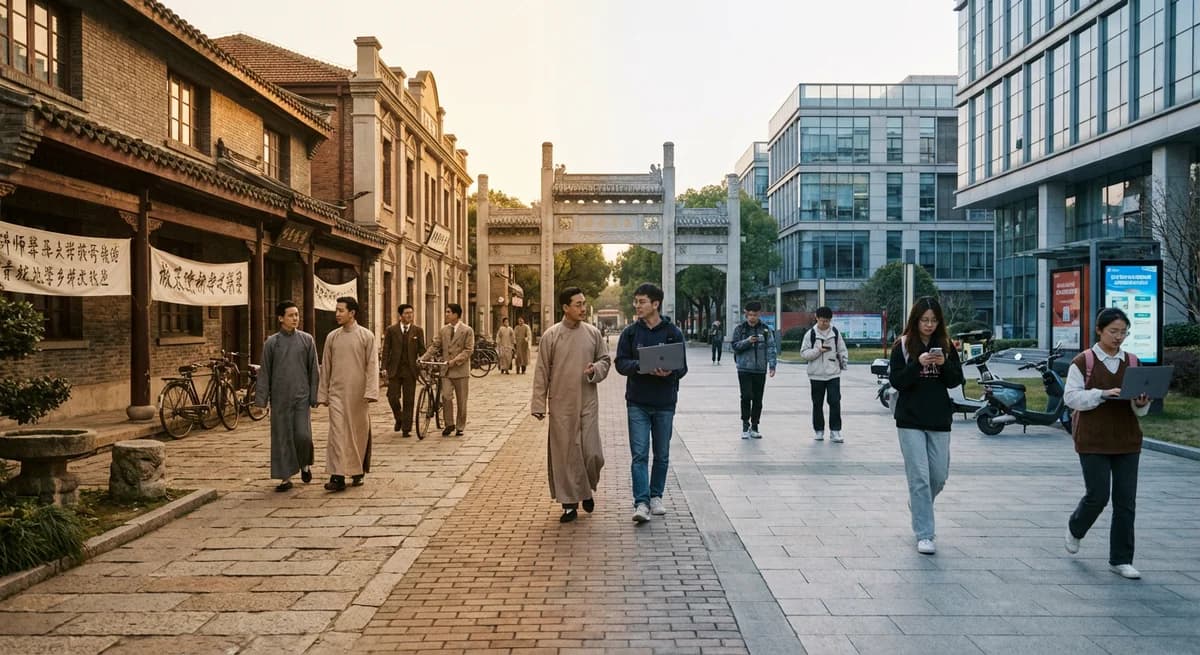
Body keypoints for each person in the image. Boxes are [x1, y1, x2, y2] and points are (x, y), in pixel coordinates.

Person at [1063, 307, 1152, 580]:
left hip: (1127, 438)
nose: (1118, 337)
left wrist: (1141, 403)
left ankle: (1121, 560)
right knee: (1098, 496)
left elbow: (1141, 410)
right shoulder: (1084, 361)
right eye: (1113, 331)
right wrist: (1101, 394)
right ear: (1099, 330)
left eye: (1124, 332)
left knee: (1126, 502)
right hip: (1093, 439)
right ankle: (1076, 527)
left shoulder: (1133, 361)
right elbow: (1071, 398)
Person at [888, 296, 963, 555]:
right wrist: (916, 363)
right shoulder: (903, 345)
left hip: (939, 418)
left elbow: (956, 380)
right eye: (924, 320)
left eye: (934, 320)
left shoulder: (946, 345)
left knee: (938, 476)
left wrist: (944, 365)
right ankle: (925, 533)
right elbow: (897, 381)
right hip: (909, 419)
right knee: (919, 477)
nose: (929, 325)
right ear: (915, 321)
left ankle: (919, 503)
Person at [531, 287, 612, 523]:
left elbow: (605, 360)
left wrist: (595, 370)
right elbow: (542, 371)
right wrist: (538, 404)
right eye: (578, 304)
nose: (583, 308)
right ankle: (569, 504)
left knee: (592, 453)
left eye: (583, 303)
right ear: (565, 307)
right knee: (565, 455)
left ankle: (586, 489)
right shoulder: (551, 336)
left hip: (587, 400)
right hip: (561, 404)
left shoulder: (593, 333)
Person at [615, 282, 687, 524]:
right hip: (637, 401)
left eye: (642, 301)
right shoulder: (630, 333)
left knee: (662, 454)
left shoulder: (673, 333)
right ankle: (641, 502)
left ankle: (656, 496)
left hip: (665, 402)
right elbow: (620, 363)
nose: (637, 305)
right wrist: (642, 365)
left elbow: (683, 368)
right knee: (639, 454)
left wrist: (669, 371)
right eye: (636, 301)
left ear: (655, 304)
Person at [317, 296, 379, 492]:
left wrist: (371, 391)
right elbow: (326, 366)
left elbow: (372, 366)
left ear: (352, 313)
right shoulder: (332, 337)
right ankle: (337, 476)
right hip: (337, 393)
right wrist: (323, 394)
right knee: (337, 433)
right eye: (336, 310)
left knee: (356, 434)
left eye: (341, 310)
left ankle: (357, 470)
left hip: (358, 395)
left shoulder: (366, 336)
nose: (337, 314)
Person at [258, 301, 319, 492]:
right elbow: (265, 372)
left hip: (301, 396)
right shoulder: (272, 343)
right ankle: (285, 477)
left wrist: (314, 395)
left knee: (303, 435)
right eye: (291, 315)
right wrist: (261, 399)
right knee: (282, 437)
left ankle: (305, 465)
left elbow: (314, 370)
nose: (295, 318)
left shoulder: (307, 340)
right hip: (280, 398)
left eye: (297, 315)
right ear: (280, 318)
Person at [423, 303, 474, 436]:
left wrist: (455, 361)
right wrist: (423, 358)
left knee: (462, 400)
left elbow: (468, 350)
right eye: (446, 312)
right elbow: (435, 346)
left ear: (456, 314)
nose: (446, 314)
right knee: (446, 396)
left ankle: (460, 426)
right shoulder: (443, 330)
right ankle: (449, 424)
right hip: (446, 370)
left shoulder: (467, 330)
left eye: (448, 312)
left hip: (461, 371)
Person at [801, 306, 850, 443]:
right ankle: (819, 430)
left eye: (827, 321)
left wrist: (843, 362)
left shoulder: (835, 332)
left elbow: (842, 349)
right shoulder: (810, 334)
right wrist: (818, 350)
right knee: (817, 403)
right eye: (822, 320)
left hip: (833, 374)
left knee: (835, 402)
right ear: (816, 318)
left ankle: (835, 431)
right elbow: (804, 353)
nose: (824, 323)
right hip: (816, 374)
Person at [731, 303, 776, 439]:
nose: (752, 317)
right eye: (750, 315)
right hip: (744, 368)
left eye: (755, 315)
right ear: (746, 314)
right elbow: (735, 346)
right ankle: (745, 424)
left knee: (758, 398)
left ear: (759, 314)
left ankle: (755, 425)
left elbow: (771, 347)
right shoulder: (740, 329)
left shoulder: (765, 329)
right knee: (746, 396)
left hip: (760, 369)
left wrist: (772, 365)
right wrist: (748, 341)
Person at [382, 303, 425, 438]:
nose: (409, 315)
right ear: (400, 315)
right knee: (392, 397)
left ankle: (406, 428)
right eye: (406, 313)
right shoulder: (391, 330)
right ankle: (399, 418)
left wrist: (424, 361)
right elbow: (386, 350)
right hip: (394, 369)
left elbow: (422, 349)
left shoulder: (418, 331)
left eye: (411, 313)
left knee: (409, 399)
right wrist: (383, 367)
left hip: (410, 370)